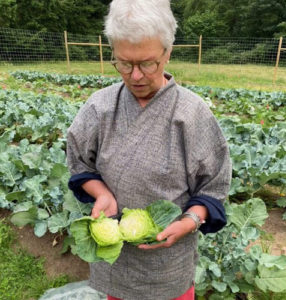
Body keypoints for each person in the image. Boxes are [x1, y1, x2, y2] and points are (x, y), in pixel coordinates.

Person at [66, 0, 232, 299]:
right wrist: (101, 193)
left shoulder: (192, 114)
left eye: (147, 63)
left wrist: (189, 221)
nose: (136, 76)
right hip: (115, 262)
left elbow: (213, 186)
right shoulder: (99, 107)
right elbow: (80, 166)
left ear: (167, 53)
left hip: (168, 266)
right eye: (124, 63)